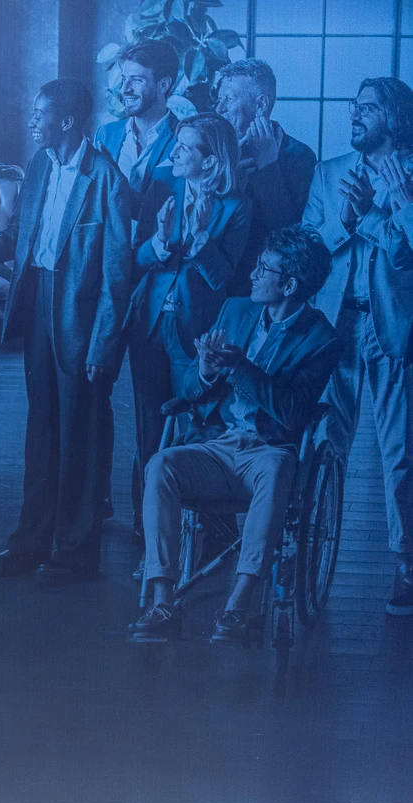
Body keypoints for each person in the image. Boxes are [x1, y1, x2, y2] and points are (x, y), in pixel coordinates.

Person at [129, 225, 340, 642]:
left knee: (277, 471)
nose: (253, 275)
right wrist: (206, 370)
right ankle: (162, 599)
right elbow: (190, 387)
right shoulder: (235, 310)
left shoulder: (322, 340)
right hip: (218, 442)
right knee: (161, 465)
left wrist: (240, 367)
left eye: (264, 269)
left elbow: (294, 413)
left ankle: (238, 604)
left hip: (269, 450)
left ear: (290, 285)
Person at [0, 80, 131, 585]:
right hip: (39, 308)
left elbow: (117, 273)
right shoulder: (39, 167)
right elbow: (18, 236)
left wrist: (103, 342)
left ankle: (75, 553)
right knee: (41, 430)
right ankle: (31, 541)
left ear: (66, 121)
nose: (32, 121)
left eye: (40, 114)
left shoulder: (106, 178)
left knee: (80, 434)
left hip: (82, 319)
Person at [302, 77, 413, 615]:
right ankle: (313, 552)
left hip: (394, 329)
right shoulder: (328, 173)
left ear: (394, 117)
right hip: (335, 327)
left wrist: (371, 214)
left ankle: (406, 565)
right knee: (327, 441)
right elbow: (307, 248)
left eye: (367, 108)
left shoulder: (409, 176)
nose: (355, 114)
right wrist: (344, 222)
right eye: (354, 105)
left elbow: (408, 252)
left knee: (400, 453)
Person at [122, 111, 253, 537]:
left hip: (197, 333)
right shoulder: (162, 185)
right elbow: (136, 259)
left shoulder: (237, 206)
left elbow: (223, 278)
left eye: (184, 147)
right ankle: (148, 529)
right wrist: (160, 242)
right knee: (149, 427)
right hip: (148, 326)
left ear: (210, 161)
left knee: (201, 425)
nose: (174, 153)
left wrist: (200, 239)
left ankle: (210, 532)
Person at [212, 59, 318, 295]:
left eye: (228, 99)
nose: (219, 109)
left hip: (264, 282)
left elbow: (291, 232)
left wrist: (268, 166)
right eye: (218, 99)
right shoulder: (214, 147)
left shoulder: (298, 156)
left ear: (260, 105)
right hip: (211, 275)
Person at [96, 39, 181, 222]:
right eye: (124, 79)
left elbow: (180, 212)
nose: (124, 89)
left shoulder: (185, 139)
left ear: (163, 85)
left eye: (136, 80)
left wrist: (116, 182)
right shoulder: (105, 135)